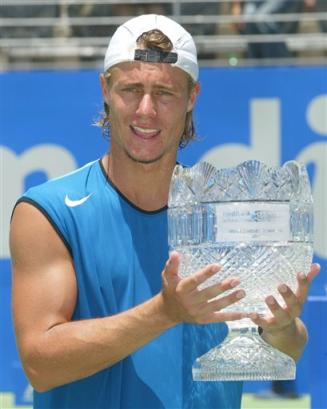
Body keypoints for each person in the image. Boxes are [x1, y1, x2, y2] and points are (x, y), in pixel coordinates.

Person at [10, 14, 320, 409]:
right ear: (105, 90)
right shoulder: (48, 211)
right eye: (131, 89)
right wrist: (164, 312)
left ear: (192, 97)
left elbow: (287, 349)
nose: (146, 110)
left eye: (165, 93)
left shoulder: (224, 212)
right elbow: (39, 362)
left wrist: (279, 326)